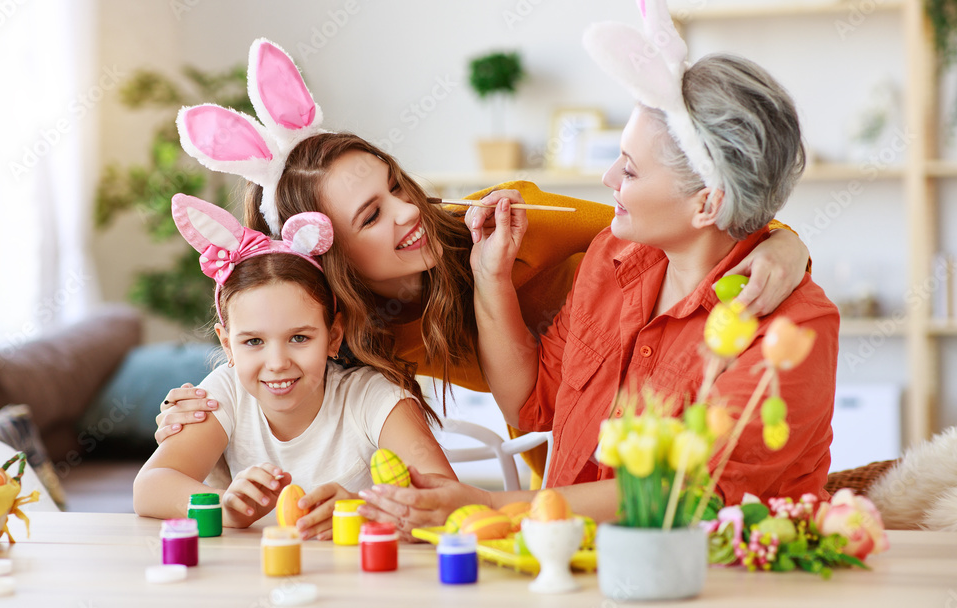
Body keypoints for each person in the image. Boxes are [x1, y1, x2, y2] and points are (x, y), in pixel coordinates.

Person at [154, 39, 810, 482]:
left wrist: (784, 238)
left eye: (396, 186)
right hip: (560, 427)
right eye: (373, 217)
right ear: (330, 263)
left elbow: (668, 214)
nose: (410, 212)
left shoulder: (501, 224)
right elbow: (271, 381)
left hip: (665, 372)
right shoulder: (351, 338)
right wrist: (194, 411)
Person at [354, 25, 839, 531]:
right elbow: (531, 403)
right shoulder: (612, 257)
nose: (609, 180)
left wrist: (495, 506)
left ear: (707, 203)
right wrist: (490, 275)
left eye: (629, 170)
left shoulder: (796, 327)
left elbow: (695, 493)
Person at [133, 194, 455, 535]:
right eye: (253, 342)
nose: (277, 364)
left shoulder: (372, 398)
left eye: (299, 338)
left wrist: (361, 511)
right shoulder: (223, 392)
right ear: (227, 344)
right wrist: (223, 506)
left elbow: (447, 498)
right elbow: (149, 488)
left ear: (333, 336)